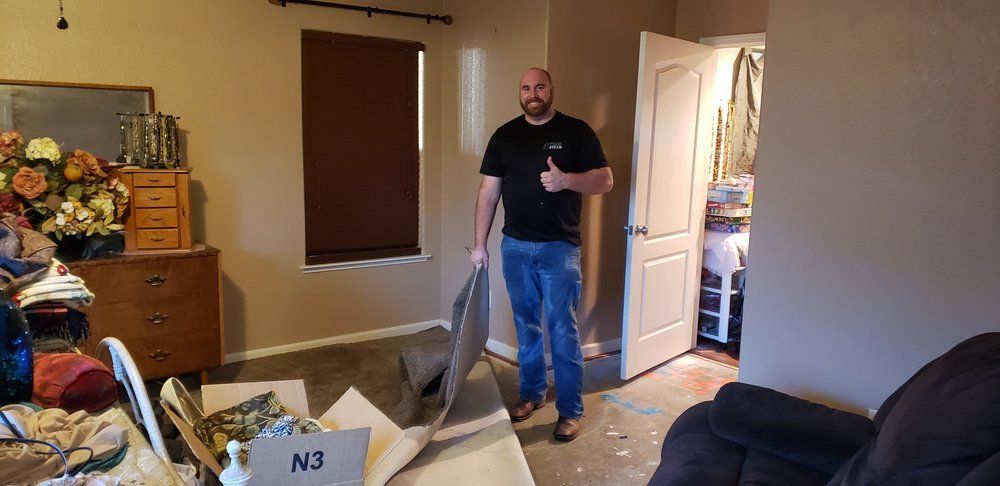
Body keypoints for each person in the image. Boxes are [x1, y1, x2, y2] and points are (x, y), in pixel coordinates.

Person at [471, 67, 613, 442]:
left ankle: (570, 410)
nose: (533, 93)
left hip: (559, 248)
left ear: (551, 90)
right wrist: (480, 244)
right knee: (526, 325)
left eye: (539, 87)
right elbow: (488, 192)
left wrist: (567, 180)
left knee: (562, 330)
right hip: (514, 246)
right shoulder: (505, 136)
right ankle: (532, 393)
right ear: (520, 93)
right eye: (526, 88)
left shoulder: (575, 131)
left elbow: (605, 179)